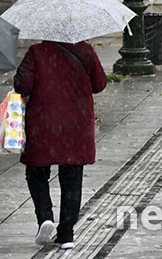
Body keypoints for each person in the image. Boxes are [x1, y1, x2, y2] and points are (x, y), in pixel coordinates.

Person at [14, 40, 108, 250]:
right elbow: (99, 84)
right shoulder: (86, 50)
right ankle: (66, 234)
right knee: (72, 177)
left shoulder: (36, 52)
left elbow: (23, 85)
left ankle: (45, 216)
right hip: (76, 124)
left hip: (43, 123)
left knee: (36, 171)